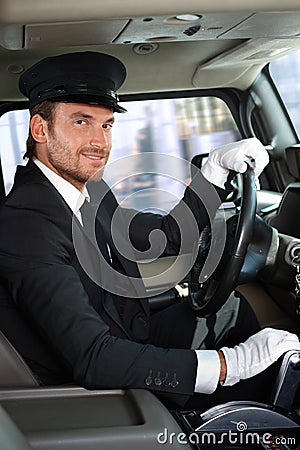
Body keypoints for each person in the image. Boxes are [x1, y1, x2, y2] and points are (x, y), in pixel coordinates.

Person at [0, 51, 298, 410]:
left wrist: (215, 173)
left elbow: (164, 236)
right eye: (81, 122)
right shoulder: (24, 224)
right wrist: (229, 366)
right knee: (268, 381)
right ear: (40, 129)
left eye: (106, 125)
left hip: (125, 332)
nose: (100, 142)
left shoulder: (87, 190)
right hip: (94, 388)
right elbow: (93, 357)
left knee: (230, 309)